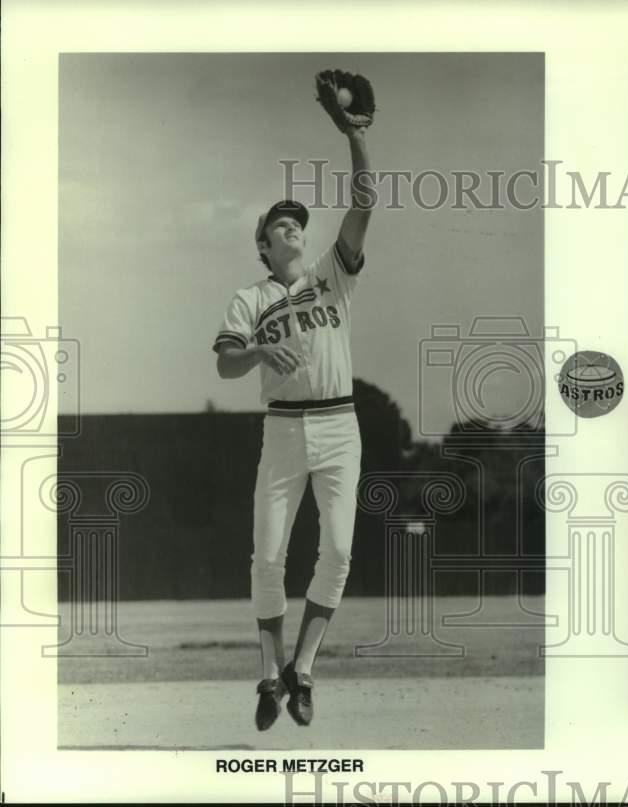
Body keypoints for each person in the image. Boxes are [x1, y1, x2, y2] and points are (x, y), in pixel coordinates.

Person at [212, 70, 375, 730]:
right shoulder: (249, 299)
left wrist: (356, 136)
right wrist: (255, 351)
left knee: (337, 550)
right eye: (282, 224)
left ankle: (303, 669)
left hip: (339, 423)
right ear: (263, 243)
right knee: (269, 554)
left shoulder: (330, 275)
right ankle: (267, 672)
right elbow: (225, 362)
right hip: (281, 429)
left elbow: (365, 202)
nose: (294, 228)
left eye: (298, 223)